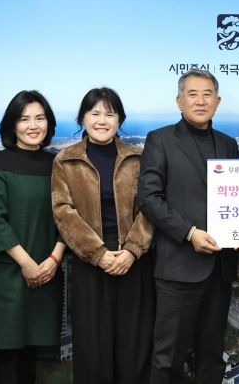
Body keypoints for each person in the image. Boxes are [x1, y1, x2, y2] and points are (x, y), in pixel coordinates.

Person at [137, 69, 239, 384]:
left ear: (217, 102)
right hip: (178, 267)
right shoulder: (160, 139)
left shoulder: (228, 144)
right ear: (179, 101)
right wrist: (190, 233)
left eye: (208, 94)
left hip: (220, 269)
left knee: (212, 356)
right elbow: (149, 198)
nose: (200, 100)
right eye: (192, 94)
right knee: (168, 358)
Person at [51, 87, 154, 383]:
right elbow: (63, 212)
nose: (102, 120)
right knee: (92, 348)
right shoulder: (65, 160)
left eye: (110, 114)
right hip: (89, 264)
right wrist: (98, 254)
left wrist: (132, 250)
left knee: (134, 345)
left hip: (134, 261)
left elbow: (149, 207)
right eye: (94, 113)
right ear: (82, 118)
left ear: (119, 119)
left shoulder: (138, 158)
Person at [0, 90, 65, 383]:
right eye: (24, 119)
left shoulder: (58, 164)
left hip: (49, 271)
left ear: (49, 123)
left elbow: (68, 217)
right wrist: (27, 264)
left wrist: (54, 260)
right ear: (12, 124)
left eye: (39, 118)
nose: (33, 125)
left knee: (32, 355)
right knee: (7, 354)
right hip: (10, 273)